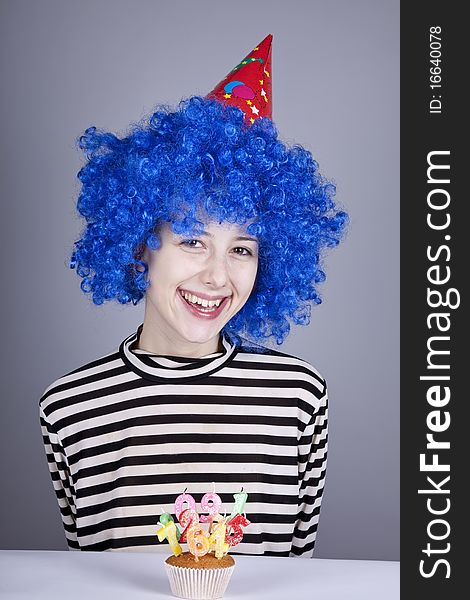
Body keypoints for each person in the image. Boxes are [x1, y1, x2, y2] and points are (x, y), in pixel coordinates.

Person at [39, 35, 348, 556]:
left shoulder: (298, 396)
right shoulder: (69, 409)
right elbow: (86, 580)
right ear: (141, 247)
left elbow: (299, 577)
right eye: (192, 240)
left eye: (242, 249)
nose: (217, 276)